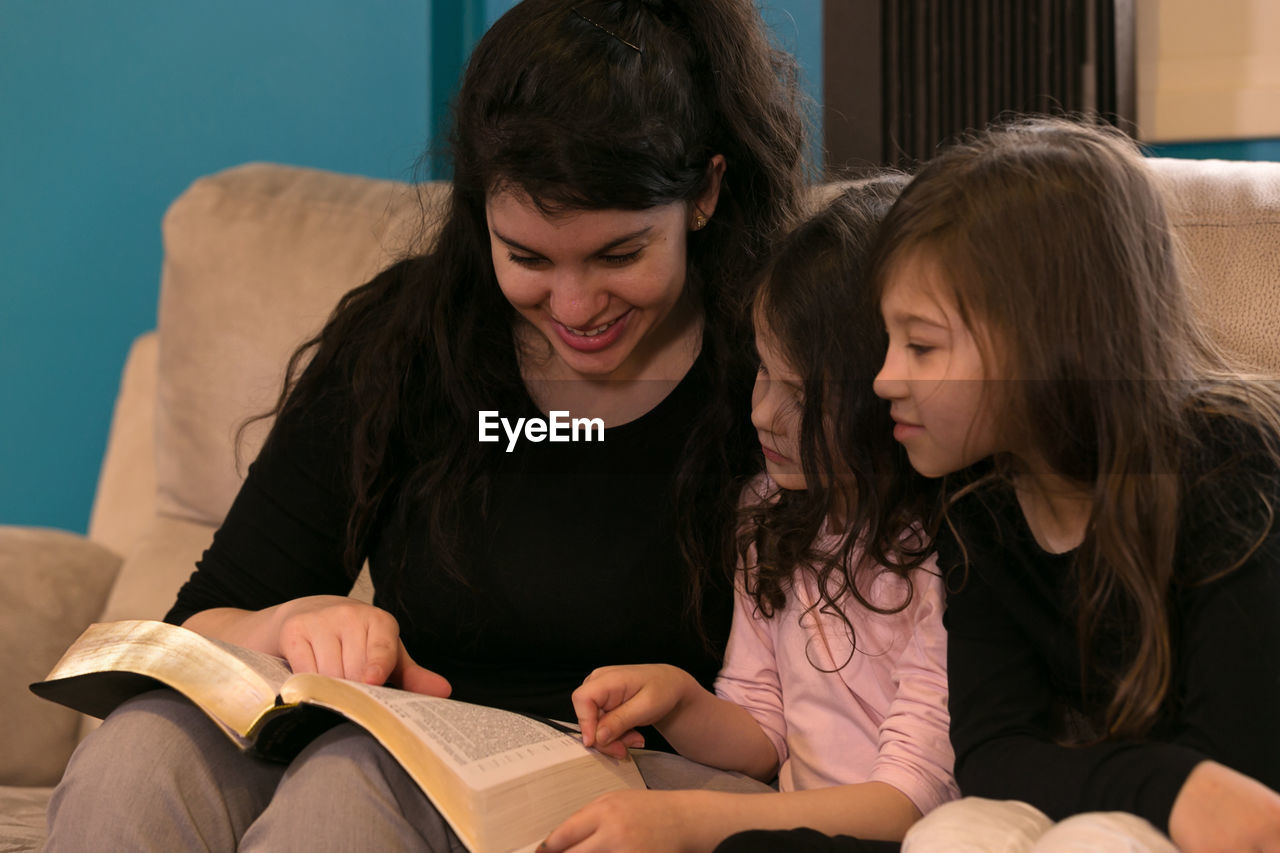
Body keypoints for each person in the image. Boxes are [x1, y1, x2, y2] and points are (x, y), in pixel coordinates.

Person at [45, 2, 807, 850]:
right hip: (411, 750)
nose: (576, 306)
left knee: (344, 794)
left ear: (703, 192)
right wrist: (290, 622)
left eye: (619, 255)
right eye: (527, 257)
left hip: (647, 787)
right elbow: (202, 622)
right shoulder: (411, 341)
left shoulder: (777, 365)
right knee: (144, 746)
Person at [869, 116, 1280, 851]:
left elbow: (1239, 774)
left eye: (921, 344)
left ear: (1046, 337)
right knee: (950, 834)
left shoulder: (1232, 464)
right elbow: (994, 750)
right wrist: (1164, 782)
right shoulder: (978, 505)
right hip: (1135, 795)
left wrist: (1165, 789)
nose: (884, 377)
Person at [535, 181, 957, 853]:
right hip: (784, 824)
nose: (762, 413)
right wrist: (678, 698)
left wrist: (687, 822)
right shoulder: (767, 509)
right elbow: (763, 733)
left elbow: (913, 801)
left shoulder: (940, 552)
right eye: (764, 372)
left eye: (800, 394)